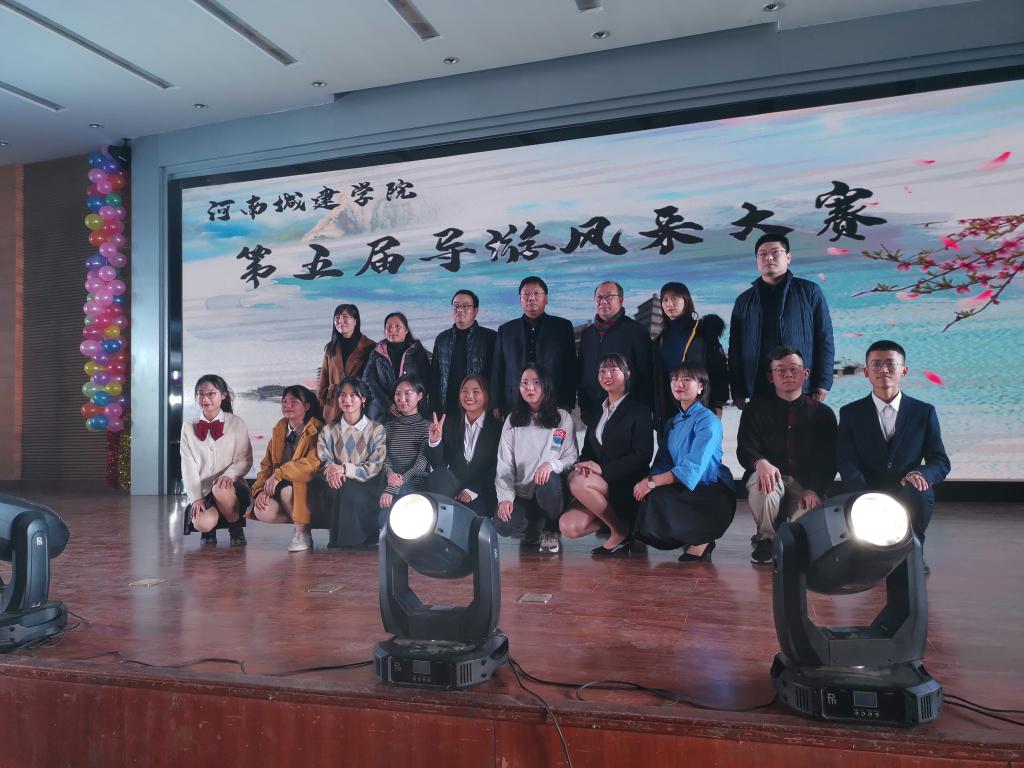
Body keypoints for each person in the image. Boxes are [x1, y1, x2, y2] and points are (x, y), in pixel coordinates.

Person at [837, 340, 950, 569]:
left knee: (920, 488)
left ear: (903, 370)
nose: (884, 370)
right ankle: (871, 553)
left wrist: (921, 474)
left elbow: (940, 461)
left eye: (890, 363)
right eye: (876, 364)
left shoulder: (924, 412)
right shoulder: (850, 413)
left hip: (906, 487)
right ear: (866, 372)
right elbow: (845, 460)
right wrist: (863, 491)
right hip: (866, 487)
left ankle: (912, 552)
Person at [737, 346, 837, 565]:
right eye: (780, 370)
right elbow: (745, 448)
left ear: (805, 373)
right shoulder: (755, 409)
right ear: (770, 377)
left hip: (805, 485)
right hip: (771, 480)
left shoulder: (823, 414)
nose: (788, 374)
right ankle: (766, 539)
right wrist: (760, 462)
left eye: (794, 369)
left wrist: (815, 489)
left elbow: (829, 460)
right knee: (763, 482)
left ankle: (787, 532)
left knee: (803, 536)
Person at [633, 363, 736, 562]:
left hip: (710, 489)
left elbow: (693, 467)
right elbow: (663, 460)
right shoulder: (672, 422)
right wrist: (649, 480)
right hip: (683, 483)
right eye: (675, 379)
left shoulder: (708, 420)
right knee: (651, 496)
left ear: (700, 387)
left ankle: (703, 538)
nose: (679, 384)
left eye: (687, 380)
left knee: (657, 492)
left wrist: (652, 482)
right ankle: (691, 536)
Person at [560, 354, 654, 555]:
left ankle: (619, 532)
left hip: (626, 484)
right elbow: (588, 451)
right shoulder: (598, 412)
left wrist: (602, 469)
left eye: (613, 370)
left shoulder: (640, 410)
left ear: (627, 374)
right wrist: (584, 465)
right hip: (598, 485)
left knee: (577, 482)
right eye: (602, 371)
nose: (607, 375)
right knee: (568, 527)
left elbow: (642, 455)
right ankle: (625, 525)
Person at [729, 235, 834, 408]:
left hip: (800, 385)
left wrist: (823, 381)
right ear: (757, 260)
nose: (769, 257)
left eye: (775, 252)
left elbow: (824, 338)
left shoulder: (809, 292)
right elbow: (735, 349)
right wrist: (738, 389)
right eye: (762, 254)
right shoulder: (744, 301)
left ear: (788, 257)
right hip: (759, 386)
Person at [494, 365, 578, 554]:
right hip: (522, 492)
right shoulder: (512, 420)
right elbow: (504, 465)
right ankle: (532, 525)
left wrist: (551, 465)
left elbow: (572, 457)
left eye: (536, 382)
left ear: (546, 385)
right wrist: (505, 498)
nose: (529, 387)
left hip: (552, 491)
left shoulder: (562, 417)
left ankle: (551, 528)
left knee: (548, 481)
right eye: (524, 383)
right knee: (503, 525)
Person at [249, 385, 325, 553]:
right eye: (284, 402)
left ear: (306, 406)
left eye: (294, 402)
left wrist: (280, 474)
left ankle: (302, 533)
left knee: (287, 490)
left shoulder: (317, 429)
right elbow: (266, 466)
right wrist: (260, 491)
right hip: (281, 487)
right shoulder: (279, 430)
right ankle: (303, 522)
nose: (287, 405)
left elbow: (312, 463)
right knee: (262, 510)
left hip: (310, 488)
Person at [180, 375, 254, 546]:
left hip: (231, 489)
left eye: (211, 394)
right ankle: (209, 530)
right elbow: (188, 466)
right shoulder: (188, 427)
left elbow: (245, 458)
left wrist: (229, 475)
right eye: (200, 394)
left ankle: (236, 528)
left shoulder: (236, 423)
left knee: (220, 488)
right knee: (202, 523)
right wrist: (196, 497)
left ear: (223, 395)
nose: (205, 399)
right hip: (203, 491)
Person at [315, 377, 387, 548]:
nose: (347, 400)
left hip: (367, 485)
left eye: (353, 395)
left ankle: (340, 543)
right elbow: (324, 459)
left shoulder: (377, 429)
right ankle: (354, 542)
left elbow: (375, 465)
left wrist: (345, 469)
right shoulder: (328, 430)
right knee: (340, 487)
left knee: (346, 487)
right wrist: (333, 472)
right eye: (342, 395)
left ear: (363, 399)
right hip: (335, 483)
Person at [490, 276, 577, 417]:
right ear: (520, 299)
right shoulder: (505, 330)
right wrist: (496, 403)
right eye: (526, 294)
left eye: (536, 293)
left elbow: (570, 367)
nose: (531, 298)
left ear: (546, 299)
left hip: (554, 400)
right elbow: (498, 369)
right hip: (513, 402)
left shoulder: (562, 327)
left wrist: (568, 401)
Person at [577, 281, 653, 426]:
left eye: (609, 297)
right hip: (593, 411)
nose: (603, 301)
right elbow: (582, 372)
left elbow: (646, 374)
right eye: (599, 298)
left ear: (621, 300)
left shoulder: (636, 331)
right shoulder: (587, 334)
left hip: (627, 412)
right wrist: (583, 405)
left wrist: (641, 410)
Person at [652, 281, 728, 424]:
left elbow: (719, 368)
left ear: (686, 301)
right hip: (668, 409)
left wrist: (717, 403)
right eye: (665, 300)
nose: (669, 304)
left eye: (675, 298)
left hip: (701, 405)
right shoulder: (659, 339)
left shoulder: (703, 332)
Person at [427, 374, 501, 517]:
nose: (469, 396)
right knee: (439, 475)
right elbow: (439, 465)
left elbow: (497, 468)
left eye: (475, 391)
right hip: (454, 487)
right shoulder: (449, 424)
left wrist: (471, 490)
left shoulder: (497, 429)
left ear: (486, 396)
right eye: (464, 391)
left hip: (482, 491)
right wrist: (435, 441)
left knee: (466, 517)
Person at [429, 289, 497, 420]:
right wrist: (433, 409)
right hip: (447, 408)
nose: (460, 310)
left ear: (475, 311)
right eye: (456, 306)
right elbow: (435, 377)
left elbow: (496, 376)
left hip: (479, 409)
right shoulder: (442, 339)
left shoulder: (490, 337)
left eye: (465, 306)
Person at [363, 312, 431, 422]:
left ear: (406, 330)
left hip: (413, 411)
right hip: (382, 410)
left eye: (397, 326)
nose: (392, 330)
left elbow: (426, 380)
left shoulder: (417, 351)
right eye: (388, 327)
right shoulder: (376, 353)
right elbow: (368, 380)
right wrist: (387, 403)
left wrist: (409, 402)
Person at [379, 375, 430, 515]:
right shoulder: (388, 427)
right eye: (397, 394)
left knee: (393, 510)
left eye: (408, 393)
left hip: (415, 482)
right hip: (389, 479)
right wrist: (390, 474)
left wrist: (393, 487)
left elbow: (420, 466)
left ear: (419, 396)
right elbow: (384, 457)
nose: (402, 399)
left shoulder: (428, 427)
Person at [316, 304, 375, 424]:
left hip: (358, 402)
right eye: (337, 318)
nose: (340, 321)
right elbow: (324, 377)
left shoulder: (370, 346)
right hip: (333, 404)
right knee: (333, 433)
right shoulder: (331, 348)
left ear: (355, 320)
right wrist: (320, 402)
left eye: (345, 317)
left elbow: (373, 380)